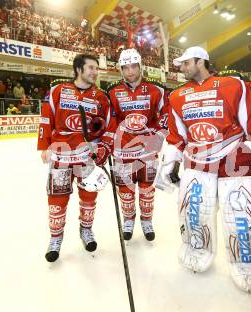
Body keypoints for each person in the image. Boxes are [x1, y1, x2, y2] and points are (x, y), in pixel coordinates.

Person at [155, 46, 251, 293]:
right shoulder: (177, 96)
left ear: (201, 61)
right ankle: (196, 250)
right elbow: (177, 135)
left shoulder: (233, 85)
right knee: (194, 211)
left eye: (186, 63)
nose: (181, 68)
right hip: (197, 163)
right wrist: (167, 165)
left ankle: (249, 266)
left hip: (236, 161)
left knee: (242, 215)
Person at [37, 54, 115, 262]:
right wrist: (44, 145)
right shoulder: (58, 90)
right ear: (78, 69)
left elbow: (109, 126)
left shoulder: (101, 97)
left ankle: (86, 230)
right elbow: (47, 118)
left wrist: (105, 147)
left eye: (96, 68)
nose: (95, 72)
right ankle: (55, 238)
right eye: (91, 67)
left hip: (86, 157)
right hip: (61, 154)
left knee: (89, 197)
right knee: (57, 199)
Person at [107, 48, 168, 242]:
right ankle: (128, 220)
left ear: (140, 66)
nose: (130, 71)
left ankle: (147, 220)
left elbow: (166, 116)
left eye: (134, 66)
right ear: (120, 69)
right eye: (125, 67)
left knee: (147, 189)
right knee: (125, 190)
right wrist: (109, 144)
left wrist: (157, 137)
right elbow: (111, 121)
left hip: (148, 151)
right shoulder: (113, 91)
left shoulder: (156, 89)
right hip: (122, 151)